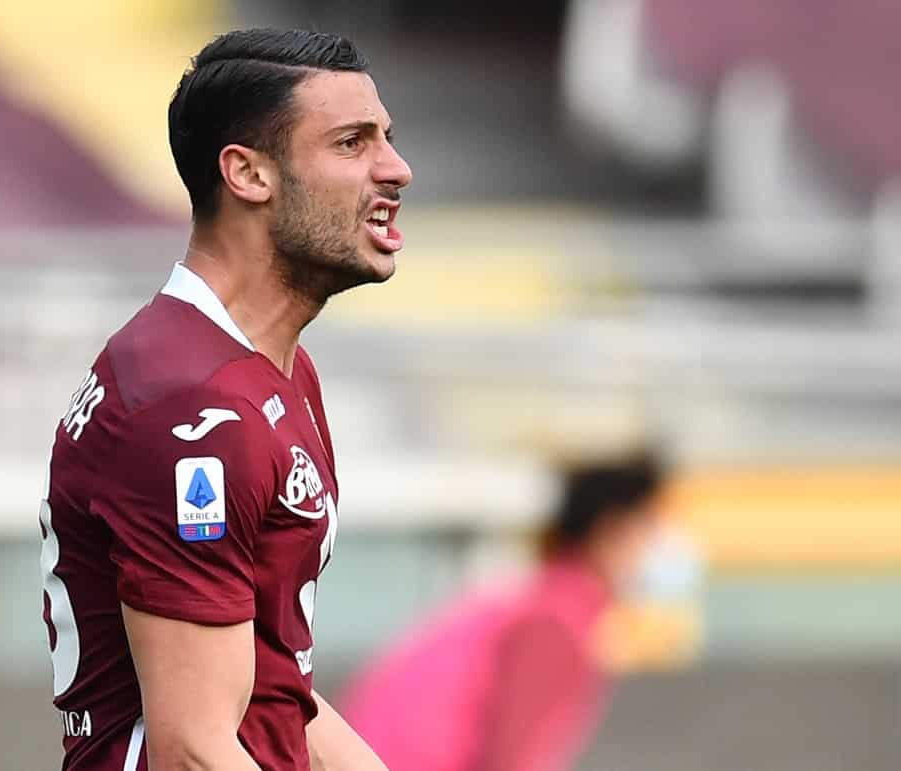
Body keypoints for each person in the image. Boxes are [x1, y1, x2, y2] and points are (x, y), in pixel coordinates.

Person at [37, 28, 412, 771]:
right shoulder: (191, 409)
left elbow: (277, 689)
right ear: (247, 174)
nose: (395, 168)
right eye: (351, 143)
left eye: (386, 138)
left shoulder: (270, 373)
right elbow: (194, 750)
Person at [339, 453, 668, 771]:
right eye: (652, 528)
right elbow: (510, 761)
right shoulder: (557, 621)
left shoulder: (533, 596)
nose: (663, 545)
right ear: (612, 531)